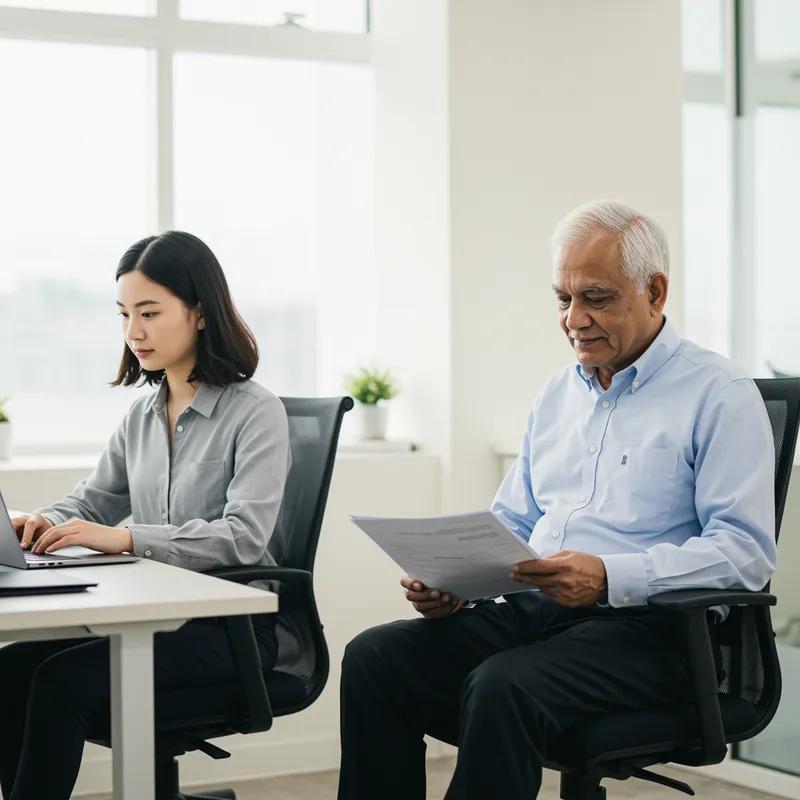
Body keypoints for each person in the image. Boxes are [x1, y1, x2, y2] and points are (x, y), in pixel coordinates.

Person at [337, 200, 777, 800]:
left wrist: (607, 576)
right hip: (538, 612)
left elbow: (745, 553)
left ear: (655, 291)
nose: (574, 319)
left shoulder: (719, 395)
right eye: (562, 299)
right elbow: (514, 518)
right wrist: (454, 579)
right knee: (376, 659)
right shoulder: (556, 394)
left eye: (595, 298)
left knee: (503, 686)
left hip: (652, 634)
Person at [3, 230, 291, 800]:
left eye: (150, 312)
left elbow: (243, 537)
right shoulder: (142, 414)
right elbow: (92, 500)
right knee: (10, 671)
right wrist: (40, 520)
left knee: (62, 681)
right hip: (156, 620)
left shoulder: (255, 411)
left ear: (200, 314)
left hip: (230, 630)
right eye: (124, 314)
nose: (133, 332)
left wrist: (124, 537)